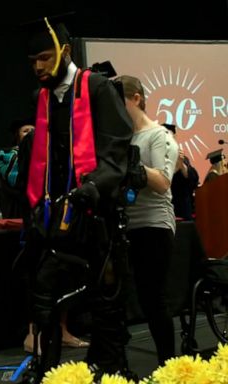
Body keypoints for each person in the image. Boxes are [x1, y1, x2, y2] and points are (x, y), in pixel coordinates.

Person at [16, 15, 136, 383]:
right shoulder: (44, 98)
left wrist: (94, 186)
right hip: (56, 216)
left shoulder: (96, 87)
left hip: (95, 214)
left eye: (44, 57)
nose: (38, 66)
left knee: (106, 302)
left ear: (65, 51)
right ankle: (50, 371)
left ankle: (112, 373)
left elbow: (116, 150)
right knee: (45, 298)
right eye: (32, 59)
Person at [116, 75, 179, 366]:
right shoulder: (124, 137)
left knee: (154, 300)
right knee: (134, 299)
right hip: (128, 227)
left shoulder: (159, 135)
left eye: (120, 101)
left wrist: (132, 165)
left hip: (155, 226)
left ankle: (170, 366)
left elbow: (163, 182)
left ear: (137, 98)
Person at [0, 118, 35, 218]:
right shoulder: (7, 154)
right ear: (17, 135)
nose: (30, 134)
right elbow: (15, 181)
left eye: (33, 131)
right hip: (15, 205)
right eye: (25, 131)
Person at [162, 124, 199, 220]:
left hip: (183, 208)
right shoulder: (157, 157)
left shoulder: (183, 158)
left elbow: (192, 180)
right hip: (165, 206)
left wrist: (181, 164)